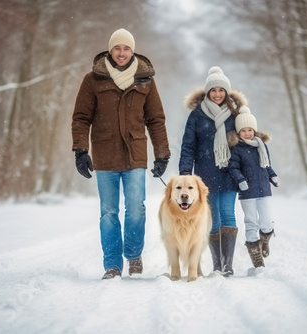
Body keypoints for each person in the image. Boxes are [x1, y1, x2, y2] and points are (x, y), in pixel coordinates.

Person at [71, 28, 170, 279]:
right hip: (105, 155)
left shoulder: (145, 79)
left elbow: (156, 119)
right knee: (109, 212)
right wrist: (81, 150)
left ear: (132, 50)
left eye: (126, 48)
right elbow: (81, 118)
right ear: (110, 50)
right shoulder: (93, 79)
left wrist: (162, 154)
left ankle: (134, 255)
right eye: (117, 48)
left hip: (135, 153)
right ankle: (112, 266)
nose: (122, 53)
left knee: (136, 208)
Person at [179, 66, 248, 276]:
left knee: (228, 213)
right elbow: (188, 145)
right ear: (208, 92)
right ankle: (217, 264)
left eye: (221, 90)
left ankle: (228, 265)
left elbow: (246, 142)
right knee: (213, 218)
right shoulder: (197, 115)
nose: (217, 94)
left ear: (226, 92)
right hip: (205, 174)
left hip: (230, 172)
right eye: (213, 90)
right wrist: (185, 172)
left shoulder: (236, 116)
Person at [228, 106, 279, 268]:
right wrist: (240, 180)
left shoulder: (262, 146)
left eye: (250, 129)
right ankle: (256, 256)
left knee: (266, 221)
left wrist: (272, 175)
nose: (247, 133)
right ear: (238, 132)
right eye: (243, 130)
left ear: (254, 130)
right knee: (251, 222)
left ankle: (265, 239)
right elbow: (233, 168)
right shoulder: (237, 149)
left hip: (264, 189)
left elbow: (266, 165)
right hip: (247, 192)